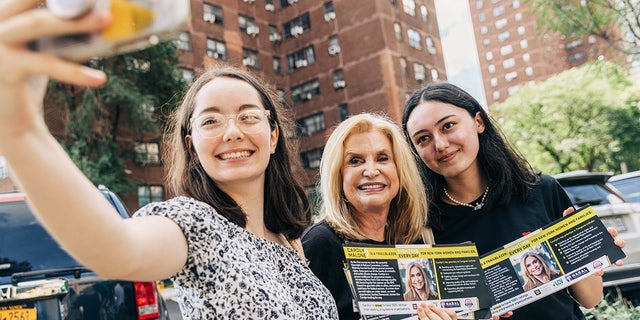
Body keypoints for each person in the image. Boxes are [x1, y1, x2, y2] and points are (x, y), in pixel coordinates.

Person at [0, 3, 338, 319]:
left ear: (273, 135)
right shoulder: (195, 225)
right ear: (192, 147)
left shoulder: (291, 240)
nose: (232, 132)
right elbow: (115, 247)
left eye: (248, 116)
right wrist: (20, 130)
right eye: (211, 121)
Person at [401, 82, 625, 320]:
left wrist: (581, 253)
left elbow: (590, 299)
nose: (440, 144)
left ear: (478, 122)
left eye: (448, 126)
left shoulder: (541, 190)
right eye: (423, 139)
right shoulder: (421, 224)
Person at [302, 113, 456, 320]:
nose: (371, 171)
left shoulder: (413, 244)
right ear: (338, 175)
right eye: (355, 161)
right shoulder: (320, 244)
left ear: (400, 171)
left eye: (383, 158)